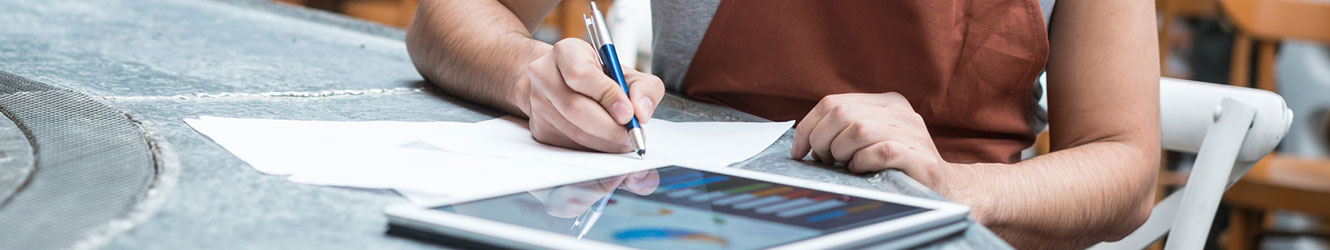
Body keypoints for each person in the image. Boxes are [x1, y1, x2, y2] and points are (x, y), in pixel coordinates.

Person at [405, 0, 1160, 248]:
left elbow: (1124, 165)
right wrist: (527, 74)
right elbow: (450, 14)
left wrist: (955, 188)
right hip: (688, 219)